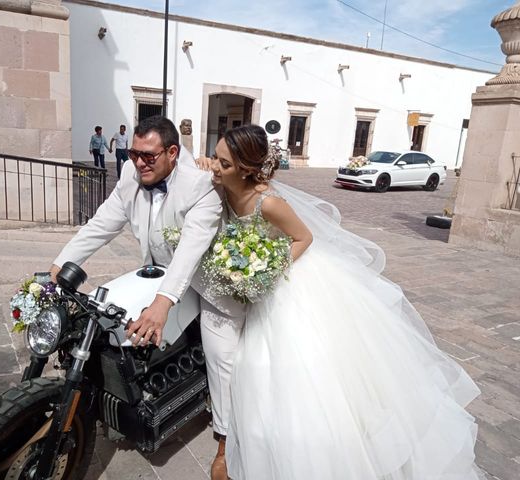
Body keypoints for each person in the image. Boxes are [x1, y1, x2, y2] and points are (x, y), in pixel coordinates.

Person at [204, 124, 483, 480]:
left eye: (224, 163)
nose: (215, 166)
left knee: (301, 366)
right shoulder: (223, 186)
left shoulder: (268, 202)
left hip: (285, 283)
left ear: (245, 168)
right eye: (216, 156)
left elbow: (304, 238)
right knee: (256, 367)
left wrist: (267, 270)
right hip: (253, 281)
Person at [51, 116, 245, 480]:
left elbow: (190, 250)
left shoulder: (201, 185)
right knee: (98, 316)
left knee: (222, 356)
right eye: (133, 153)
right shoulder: (130, 174)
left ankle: (225, 439)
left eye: (148, 156)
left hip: (203, 280)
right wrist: (63, 261)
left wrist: (162, 303)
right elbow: (103, 222)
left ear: (172, 153)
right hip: (155, 271)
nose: (138, 162)